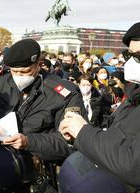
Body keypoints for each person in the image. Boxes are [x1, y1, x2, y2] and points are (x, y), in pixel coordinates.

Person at [0, 39, 85, 193]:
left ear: (39, 64)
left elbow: (71, 142)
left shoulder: (64, 93)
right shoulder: (2, 82)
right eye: (13, 71)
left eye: (24, 72)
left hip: (35, 178)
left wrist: (29, 142)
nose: (18, 77)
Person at [59, 22, 140, 193]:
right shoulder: (134, 94)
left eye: (139, 56)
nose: (132, 62)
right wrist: (79, 135)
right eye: (129, 55)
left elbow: (133, 165)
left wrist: (84, 132)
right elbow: (116, 133)